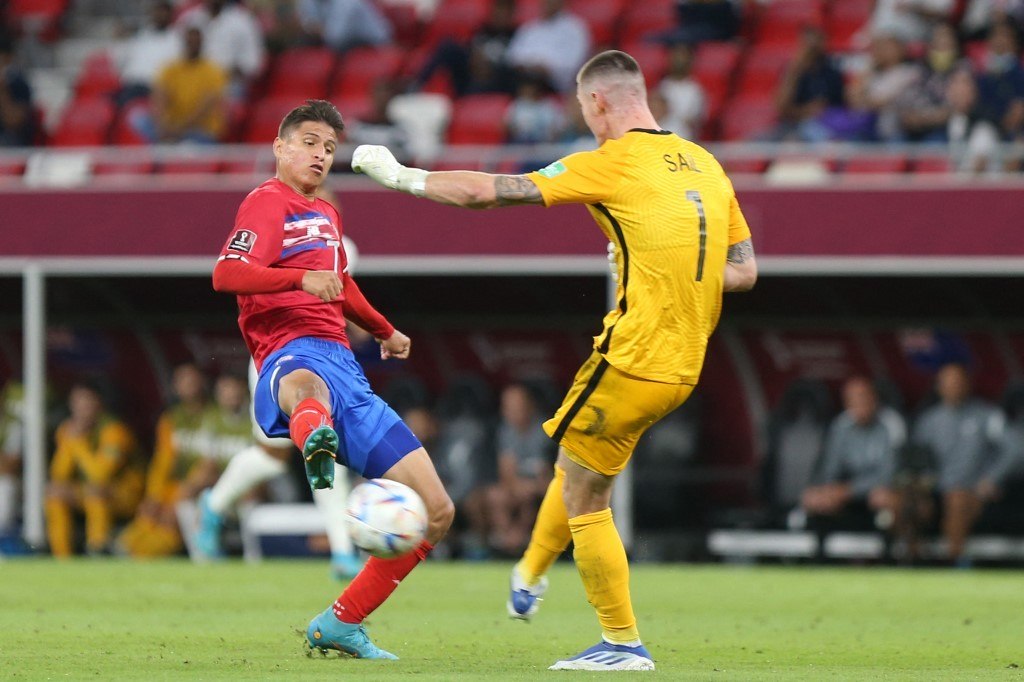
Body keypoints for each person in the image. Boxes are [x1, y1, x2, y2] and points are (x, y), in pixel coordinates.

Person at [351, 49, 757, 671]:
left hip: (632, 358)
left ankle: (622, 642)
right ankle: (531, 574)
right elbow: (743, 271)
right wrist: (666, 266)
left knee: (583, 493)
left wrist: (399, 174)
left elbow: (490, 192)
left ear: (596, 102)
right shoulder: (706, 163)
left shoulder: (613, 162)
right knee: (581, 473)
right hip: (683, 365)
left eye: (581, 104)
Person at [211, 99, 454, 659]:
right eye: (309, 142)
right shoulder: (266, 202)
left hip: (348, 366)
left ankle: (340, 622)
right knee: (308, 390)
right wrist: (300, 280)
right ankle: (312, 439)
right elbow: (226, 273)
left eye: (329, 148)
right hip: (288, 350)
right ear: (280, 146)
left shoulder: (327, 214)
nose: (320, 155)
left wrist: (386, 330)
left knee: (438, 511)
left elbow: (341, 287)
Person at [912, 363, 1014, 563]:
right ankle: (911, 565)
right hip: (936, 491)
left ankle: (954, 564)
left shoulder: (986, 415)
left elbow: (1015, 449)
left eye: (958, 383)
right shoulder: (928, 421)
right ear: (939, 387)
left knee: (956, 499)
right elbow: (917, 461)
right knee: (907, 503)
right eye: (948, 383)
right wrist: (921, 485)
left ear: (967, 385)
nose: (953, 387)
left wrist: (992, 478)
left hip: (973, 492)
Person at [117, 363, 214, 557]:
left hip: (200, 490)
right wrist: (153, 497)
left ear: (202, 382)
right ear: (175, 386)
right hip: (173, 489)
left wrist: (176, 502)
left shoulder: (214, 416)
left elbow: (210, 465)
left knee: (162, 532)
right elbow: (162, 462)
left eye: (192, 379)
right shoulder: (170, 419)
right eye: (183, 380)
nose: (189, 385)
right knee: (138, 529)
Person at [45, 381, 144, 557]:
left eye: (87, 400)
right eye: (76, 401)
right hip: (91, 491)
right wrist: (68, 442)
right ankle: (61, 557)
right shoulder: (68, 430)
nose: (81, 406)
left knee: (95, 492)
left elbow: (100, 474)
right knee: (55, 493)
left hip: (126, 495)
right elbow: (59, 474)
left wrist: (77, 443)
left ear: (100, 403)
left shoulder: (115, 431)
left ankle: (97, 549)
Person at [800, 377, 905, 541]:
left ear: (874, 399)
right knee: (813, 497)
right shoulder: (840, 426)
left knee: (885, 498)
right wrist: (828, 490)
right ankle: (820, 557)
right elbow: (830, 470)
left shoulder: (891, 424)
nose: (859, 403)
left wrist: (850, 490)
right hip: (846, 494)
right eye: (853, 399)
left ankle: (890, 557)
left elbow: (889, 475)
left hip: (875, 492)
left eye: (863, 396)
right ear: (846, 403)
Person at [484, 383, 555, 556]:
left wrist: (528, 486)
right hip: (517, 484)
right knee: (495, 495)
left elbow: (546, 473)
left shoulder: (545, 428)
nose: (512, 411)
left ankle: (522, 539)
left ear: (529, 405)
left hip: (547, 485)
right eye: (508, 407)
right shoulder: (506, 431)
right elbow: (506, 471)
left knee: (528, 494)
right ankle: (508, 540)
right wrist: (517, 485)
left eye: (517, 406)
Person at [132, 27, 228, 144]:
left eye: (196, 41)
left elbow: (204, 110)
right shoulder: (171, 68)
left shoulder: (214, 70)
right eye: (189, 40)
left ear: (202, 43)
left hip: (200, 130)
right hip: (169, 126)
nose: (192, 43)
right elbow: (159, 98)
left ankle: (165, 147)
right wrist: (162, 125)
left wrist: (178, 130)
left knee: (188, 146)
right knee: (137, 119)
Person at [505, 0, 591, 93]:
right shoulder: (530, 27)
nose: (548, 3)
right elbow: (512, 55)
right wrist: (525, 65)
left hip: (554, 81)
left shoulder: (575, 28)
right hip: (523, 75)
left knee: (534, 79)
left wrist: (548, 67)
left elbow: (575, 62)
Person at [114, 0, 181, 105]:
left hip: (154, 88)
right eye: (157, 11)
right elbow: (122, 61)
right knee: (104, 101)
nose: (160, 15)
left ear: (170, 14)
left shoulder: (177, 40)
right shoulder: (142, 35)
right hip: (131, 84)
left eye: (163, 12)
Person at [0, 33, 36, 147]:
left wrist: (2, 90)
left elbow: (13, 122)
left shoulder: (19, 83)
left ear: (8, 58)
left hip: (14, 142)